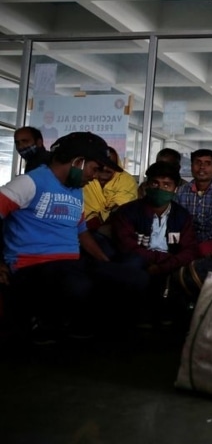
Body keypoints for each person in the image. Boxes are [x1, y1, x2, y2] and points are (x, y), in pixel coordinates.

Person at [0, 132, 120, 342]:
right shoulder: (30, 182)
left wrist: (106, 264)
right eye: (94, 168)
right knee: (78, 283)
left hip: (66, 264)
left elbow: (81, 231)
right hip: (31, 265)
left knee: (125, 278)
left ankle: (74, 328)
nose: (94, 176)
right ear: (78, 162)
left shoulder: (76, 190)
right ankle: (41, 323)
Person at [108, 161, 199, 326]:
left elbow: (189, 250)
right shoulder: (128, 212)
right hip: (140, 263)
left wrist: (163, 265)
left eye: (167, 185)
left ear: (175, 189)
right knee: (132, 264)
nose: (160, 189)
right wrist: (157, 259)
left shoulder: (182, 215)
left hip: (169, 264)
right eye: (155, 183)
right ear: (147, 185)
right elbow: (126, 246)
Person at [83, 147, 138, 235]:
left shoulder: (126, 180)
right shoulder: (86, 178)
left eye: (110, 165)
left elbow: (119, 210)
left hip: (116, 229)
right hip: (83, 230)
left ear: (117, 165)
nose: (105, 168)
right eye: (101, 164)